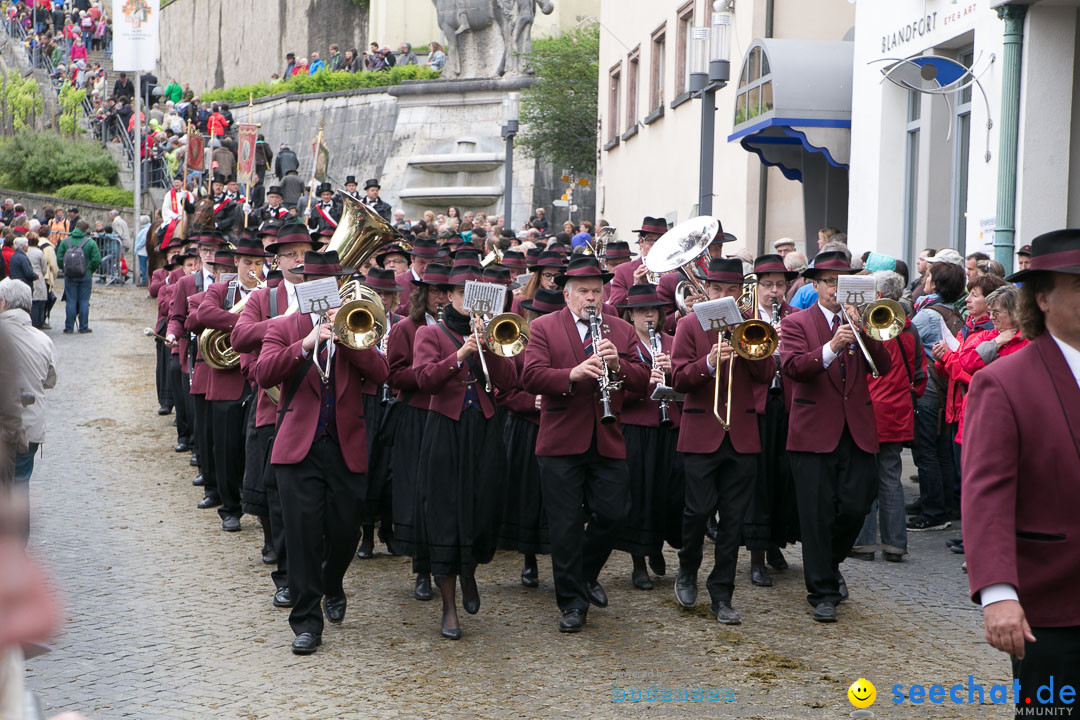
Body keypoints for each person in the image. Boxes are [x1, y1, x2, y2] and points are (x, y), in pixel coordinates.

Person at [962, 229, 1080, 713]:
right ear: (1044, 298)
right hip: (1052, 605)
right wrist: (997, 592)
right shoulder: (1003, 383)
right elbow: (986, 495)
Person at [255, 249, 389, 656]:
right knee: (302, 536)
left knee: (346, 530)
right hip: (298, 448)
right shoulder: (284, 326)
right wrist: (306, 342)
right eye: (316, 285)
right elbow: (262, 373)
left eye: (330, 287)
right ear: (304, 287)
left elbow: (382, 374)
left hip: (345, 445)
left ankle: (333, 582)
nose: (324, 293)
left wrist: (347, 339)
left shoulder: (354, 326)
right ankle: (307, 621)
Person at [521, 256, 649, 633]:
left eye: (597, 291)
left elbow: (643, 380)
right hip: (560, 440)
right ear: (567, 294)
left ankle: (583, 574)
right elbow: (530, 376)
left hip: (606, 436)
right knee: (564, 525)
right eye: (583, 292)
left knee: (614, 514)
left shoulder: (620, 330)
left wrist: (619, 366)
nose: (591, 298)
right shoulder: (544, 326)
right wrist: (571, 375)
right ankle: (572, 604)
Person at [780, 250, 891, 623]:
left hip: (856, 431)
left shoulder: (859, 321)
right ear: (815, 286)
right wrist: (831, 347)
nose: (835, 290)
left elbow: (884, 366)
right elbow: (793, 367)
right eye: (829, 282)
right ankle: (822, 592)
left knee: (856, 505)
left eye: (841, 283)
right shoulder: (797, 323)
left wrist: (865, 333)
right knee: (815, 514)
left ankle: (828, 563)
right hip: (812, 433)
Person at [409, 265, 517, 639]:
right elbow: (423, 379)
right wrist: (460, 355)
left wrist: (490, 348)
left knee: (485, 508)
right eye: (462, 296)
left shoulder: (490, 333)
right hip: (445, 429)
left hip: (484, 428)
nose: (471, 305)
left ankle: (470, 567)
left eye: (479, 300)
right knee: (444, 514)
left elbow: (508, 382)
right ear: (450, 296)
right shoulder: (430, 333)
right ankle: (449, 606)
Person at [670, 258, 771, 625]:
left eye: (731, 290)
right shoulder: (688, 325)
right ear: (706, 290)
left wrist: (749, 344)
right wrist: (708, 362)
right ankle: (687, 569)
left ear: (739, 293)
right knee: (696, 512)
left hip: (741, 436)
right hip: (700, 433)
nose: (723, 296)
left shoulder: (751, 325)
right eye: (717, 290)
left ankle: (722, 595)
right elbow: (679, 378)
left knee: (733, 522)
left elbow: (766, 374)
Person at [232, 223, 322, 610]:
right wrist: (289, 323)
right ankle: (286, 577)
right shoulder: (264, 298)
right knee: (280, 502)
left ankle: (320, 576)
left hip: (320, 410)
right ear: (277, 260)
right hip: (274, 407)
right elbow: (239, 337)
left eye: (305, 253)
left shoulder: (328, 293)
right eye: (290, 254)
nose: (299, 260)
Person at [850, 270, 925, 564]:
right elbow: (920, 373)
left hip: (872, 409)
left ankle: (864, 544)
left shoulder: (870, 325)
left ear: (879, 295)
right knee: (891, 479)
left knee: (867, 478)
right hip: (899, 410)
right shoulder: (910, 329)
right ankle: (895, 545)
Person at [387, 263, 451, 602]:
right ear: (422, 294)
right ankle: (421, 570)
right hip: (416, 414)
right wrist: (428, 372)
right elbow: (394, 375)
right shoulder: (406, 328)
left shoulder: (459, 328)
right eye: (435, 291)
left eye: (445, 291)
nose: (440, 297)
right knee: (417, 493)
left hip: (449, 416)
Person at [611, 284, 682, 591]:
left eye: (653, 309)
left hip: (670, 426)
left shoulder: (671, 341)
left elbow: (688, 384)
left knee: (669, 492)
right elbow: (615, 390)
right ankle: (639, 561)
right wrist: (640, 378)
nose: (648, 315)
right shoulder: (621, 344)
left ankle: (656, 546)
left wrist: (673, 371)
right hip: (636, 425)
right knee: (639, 493)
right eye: (641, 311)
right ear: (630, 314)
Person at [196, 239, 266, 532]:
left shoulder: (269, 294)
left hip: (261, 378)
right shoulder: (221, 290)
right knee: (225, 447)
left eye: (258, 263)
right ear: (236, 263)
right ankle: (230, 508)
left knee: (257, 447)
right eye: (248, 263)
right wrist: (245, 321)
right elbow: (204, 315)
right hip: (226, 381)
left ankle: (261, 506)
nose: (253, 269)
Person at [742, 254, 800, 586]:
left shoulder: (795, 317)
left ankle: (777, 543)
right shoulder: (745, 317)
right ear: (757, 286)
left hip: (789, 405)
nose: (774, 292)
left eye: (779, 285)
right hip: (758, 407)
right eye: (767, 285)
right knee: (758, 479)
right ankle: (756, 556)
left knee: (784, 476)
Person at [907, 258, 967, 531]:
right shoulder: (954, 311)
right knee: (941, 450)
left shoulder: (929, 314)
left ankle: (933, 512)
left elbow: (904, 339)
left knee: (926, 450)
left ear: (935, 284)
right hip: (945, 390)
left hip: (929, 390)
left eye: (928, 277)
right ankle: (940, 504)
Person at [0, 277, 56, 497]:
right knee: (21, 483)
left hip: (5, 426)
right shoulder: (44, 340)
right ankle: (18, 531)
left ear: (3, 303)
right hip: (30, 424)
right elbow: (51, 380)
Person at [606, 216, 667, 308]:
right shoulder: (623, 271)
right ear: (641, 242)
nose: (655, 245)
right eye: (650, 240)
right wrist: (635, 287)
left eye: (660, 240)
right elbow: (614, 308)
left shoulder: (676, 270)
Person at [56, 220, 100, 334]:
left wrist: (65, 269)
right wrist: (90, 270)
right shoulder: (90, 243)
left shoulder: (66, 241)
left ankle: (69, 327)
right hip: (85, 275)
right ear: (86, 230)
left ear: (75, 227)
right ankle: (83, 327)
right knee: (84, 301)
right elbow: (97, 260)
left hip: (70, 275)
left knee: (71, 300)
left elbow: (59, 258)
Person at [24, 234, 48, 329]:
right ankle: (38, 322)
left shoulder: (24, 252)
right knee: (39, 301)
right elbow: (44, 267)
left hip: (27, 276)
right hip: (38, 276)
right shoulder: (39, 252)